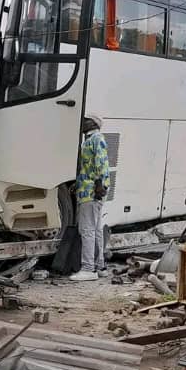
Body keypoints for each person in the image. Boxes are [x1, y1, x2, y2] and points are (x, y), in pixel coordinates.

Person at [70, 115, 110, 282]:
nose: (82, 122)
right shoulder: (89, 140)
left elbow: (102, 163)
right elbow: (88, 167)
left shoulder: (96, 139)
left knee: (87, 230)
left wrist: (100, 184)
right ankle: (100, 266)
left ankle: (88, 268)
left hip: (91, 191)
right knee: (96, 230)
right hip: (88, 189)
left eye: (86, 120)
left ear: (94, 123)